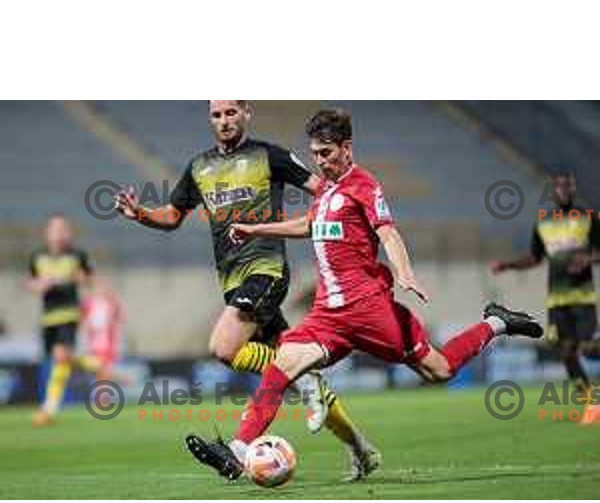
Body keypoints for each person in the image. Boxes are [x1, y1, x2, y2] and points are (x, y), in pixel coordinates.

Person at [184, 108, 544, 482]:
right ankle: (238, 451)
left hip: (371, 310)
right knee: (281, 366)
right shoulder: (324, 192)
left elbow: (387, 233)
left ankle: (496, 322)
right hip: (329, 314)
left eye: (327, 153)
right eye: (315, 154)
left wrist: (404, 273)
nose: (320, 162)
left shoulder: (365, 185)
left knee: (439, 370)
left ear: (347, 148)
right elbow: (309, 225)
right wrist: (256, 230)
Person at [114, 100, 379, 480]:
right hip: (233, 279)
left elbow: (325, 190)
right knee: (290, 363)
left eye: (231, 113)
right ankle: (361, 448)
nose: (224, 121)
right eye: (217, 115)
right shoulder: (199, 167)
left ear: (246, 113)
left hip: (266, 270)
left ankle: (296, 390)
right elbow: (172, 216)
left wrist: (349, 231)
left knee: (223, 347)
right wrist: (140, 213)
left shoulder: (269, 156)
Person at [491, 170, 600, 425]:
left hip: (582, 296)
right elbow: (535, 257)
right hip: (557, 299)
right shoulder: (544, 222)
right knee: (566, 352)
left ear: (574, 188)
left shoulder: (588, 218)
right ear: (554, 190)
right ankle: (591, 404)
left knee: (588, 348)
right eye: (560, 186)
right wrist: (507, 265)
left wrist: (588, 258)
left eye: (568, 185)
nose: (564, 190)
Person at [28, 214, 95, 426]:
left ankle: (48, 409)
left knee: (60, 356)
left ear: (68, 233)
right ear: (47, 233)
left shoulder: (77, 255)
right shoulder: (37, 257)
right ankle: (98, 367)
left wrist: (78, 278)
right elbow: (31, 283)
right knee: (61, 359)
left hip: (69, 314)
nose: (59, 234)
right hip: (48, 317)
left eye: (63, 229)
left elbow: (89, 278)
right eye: (55, 229)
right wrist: (41, 285)